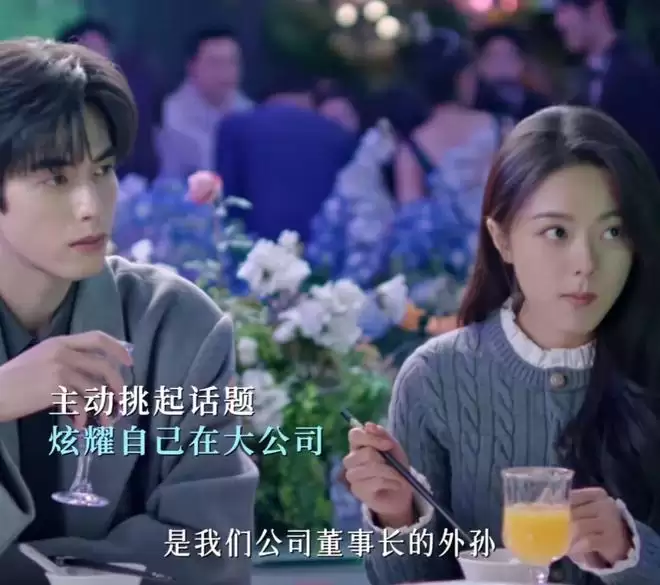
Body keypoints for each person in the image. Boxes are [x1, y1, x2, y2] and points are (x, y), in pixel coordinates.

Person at [344, 106, 660, 584]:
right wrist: (398, 514)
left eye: (613, 232)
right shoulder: (436, 377)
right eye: (556, 232)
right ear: (502, 238)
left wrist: (630, 550)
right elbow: (408, 579)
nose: (586, 262)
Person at [0, 38, 257, 584]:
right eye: (56, 178)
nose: (91, 205)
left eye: (103, 170)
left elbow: (214, 551)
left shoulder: (176, 321)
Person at [215, 70, 356, 242]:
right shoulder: (336, 134)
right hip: (316, 247)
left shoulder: (236, 126)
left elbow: (228, 202)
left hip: (254, 246)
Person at [554, 0, 660, 175]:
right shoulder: (583, 80)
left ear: (597, 8)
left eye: (564, 9)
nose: (558, 22)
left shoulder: (637, 75)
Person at [159, 28, 253, 177]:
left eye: (232, 63)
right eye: (215, 63)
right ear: (192, 67)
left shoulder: (249, 112)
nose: (225, 72)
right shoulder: (171, 114)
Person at [472, 24, 549, 121]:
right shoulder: (470, 111)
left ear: (522, 62)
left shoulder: (542, 109)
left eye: (509, 56)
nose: (502, 64)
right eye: (494, 57)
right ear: (480, 64)